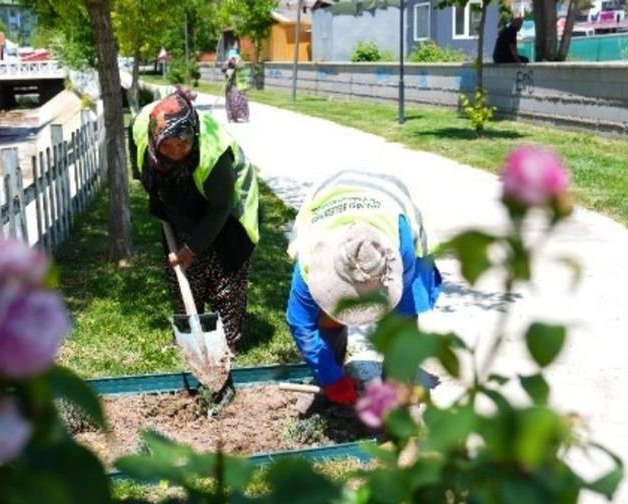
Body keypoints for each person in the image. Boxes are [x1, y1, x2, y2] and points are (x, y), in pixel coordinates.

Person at [285, 170, 442, 405]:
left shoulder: (402, 250)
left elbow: (403, 313)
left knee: (405, 315)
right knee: (325, 315)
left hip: (389, 205)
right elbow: (300, 323)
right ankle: (332, 368)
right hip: (331, 196)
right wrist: (330, 377)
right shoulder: (310, 260)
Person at [129, 88, 260, 350]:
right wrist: (151, 185)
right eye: (168, 145)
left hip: (228, 207)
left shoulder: (213, 156)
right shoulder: (145, 126)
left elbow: (220, 208)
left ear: (194, 136)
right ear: (155, 138)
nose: (177, 151)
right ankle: (189, 335)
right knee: (183, 273)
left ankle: (226, 343)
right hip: (181, 195)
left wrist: (193, 248)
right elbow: (136, 153)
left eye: (183, 144)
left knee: (226, 276)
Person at [223, 56, 250, 123]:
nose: (232, 60)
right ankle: (232, 117)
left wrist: (234, 65)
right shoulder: (227, 64)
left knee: (238, 102)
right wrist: (227, 66)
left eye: (233, 58)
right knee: (230, 102)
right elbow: (223, 69)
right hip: (229, 86)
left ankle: (243, 116)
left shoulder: (240, 63)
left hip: (238, 86)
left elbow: (239, 66)